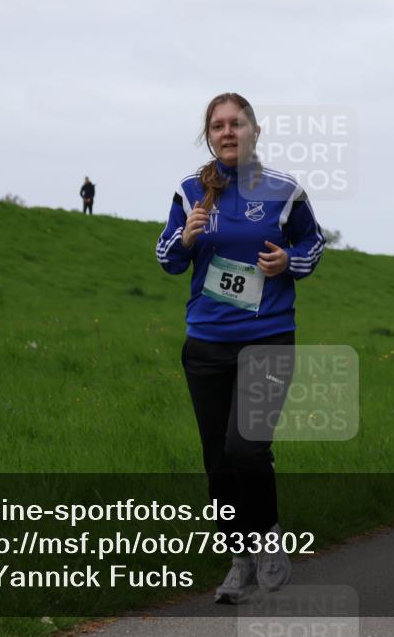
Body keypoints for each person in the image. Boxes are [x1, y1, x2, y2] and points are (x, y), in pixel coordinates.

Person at [155, 93, 325, 603]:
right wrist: (184, 238)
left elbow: (313, 245)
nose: (228, 132)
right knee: (217, 460)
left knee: (245, 447)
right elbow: (166, 258)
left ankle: (269, 537)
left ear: (254, 129)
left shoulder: (283, 190)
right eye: (218, 125)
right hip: (206, 344)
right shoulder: (190, 190)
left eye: (237, 123)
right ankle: (240, 558)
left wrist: (287, 264)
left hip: (268, 338)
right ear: (209, 135)